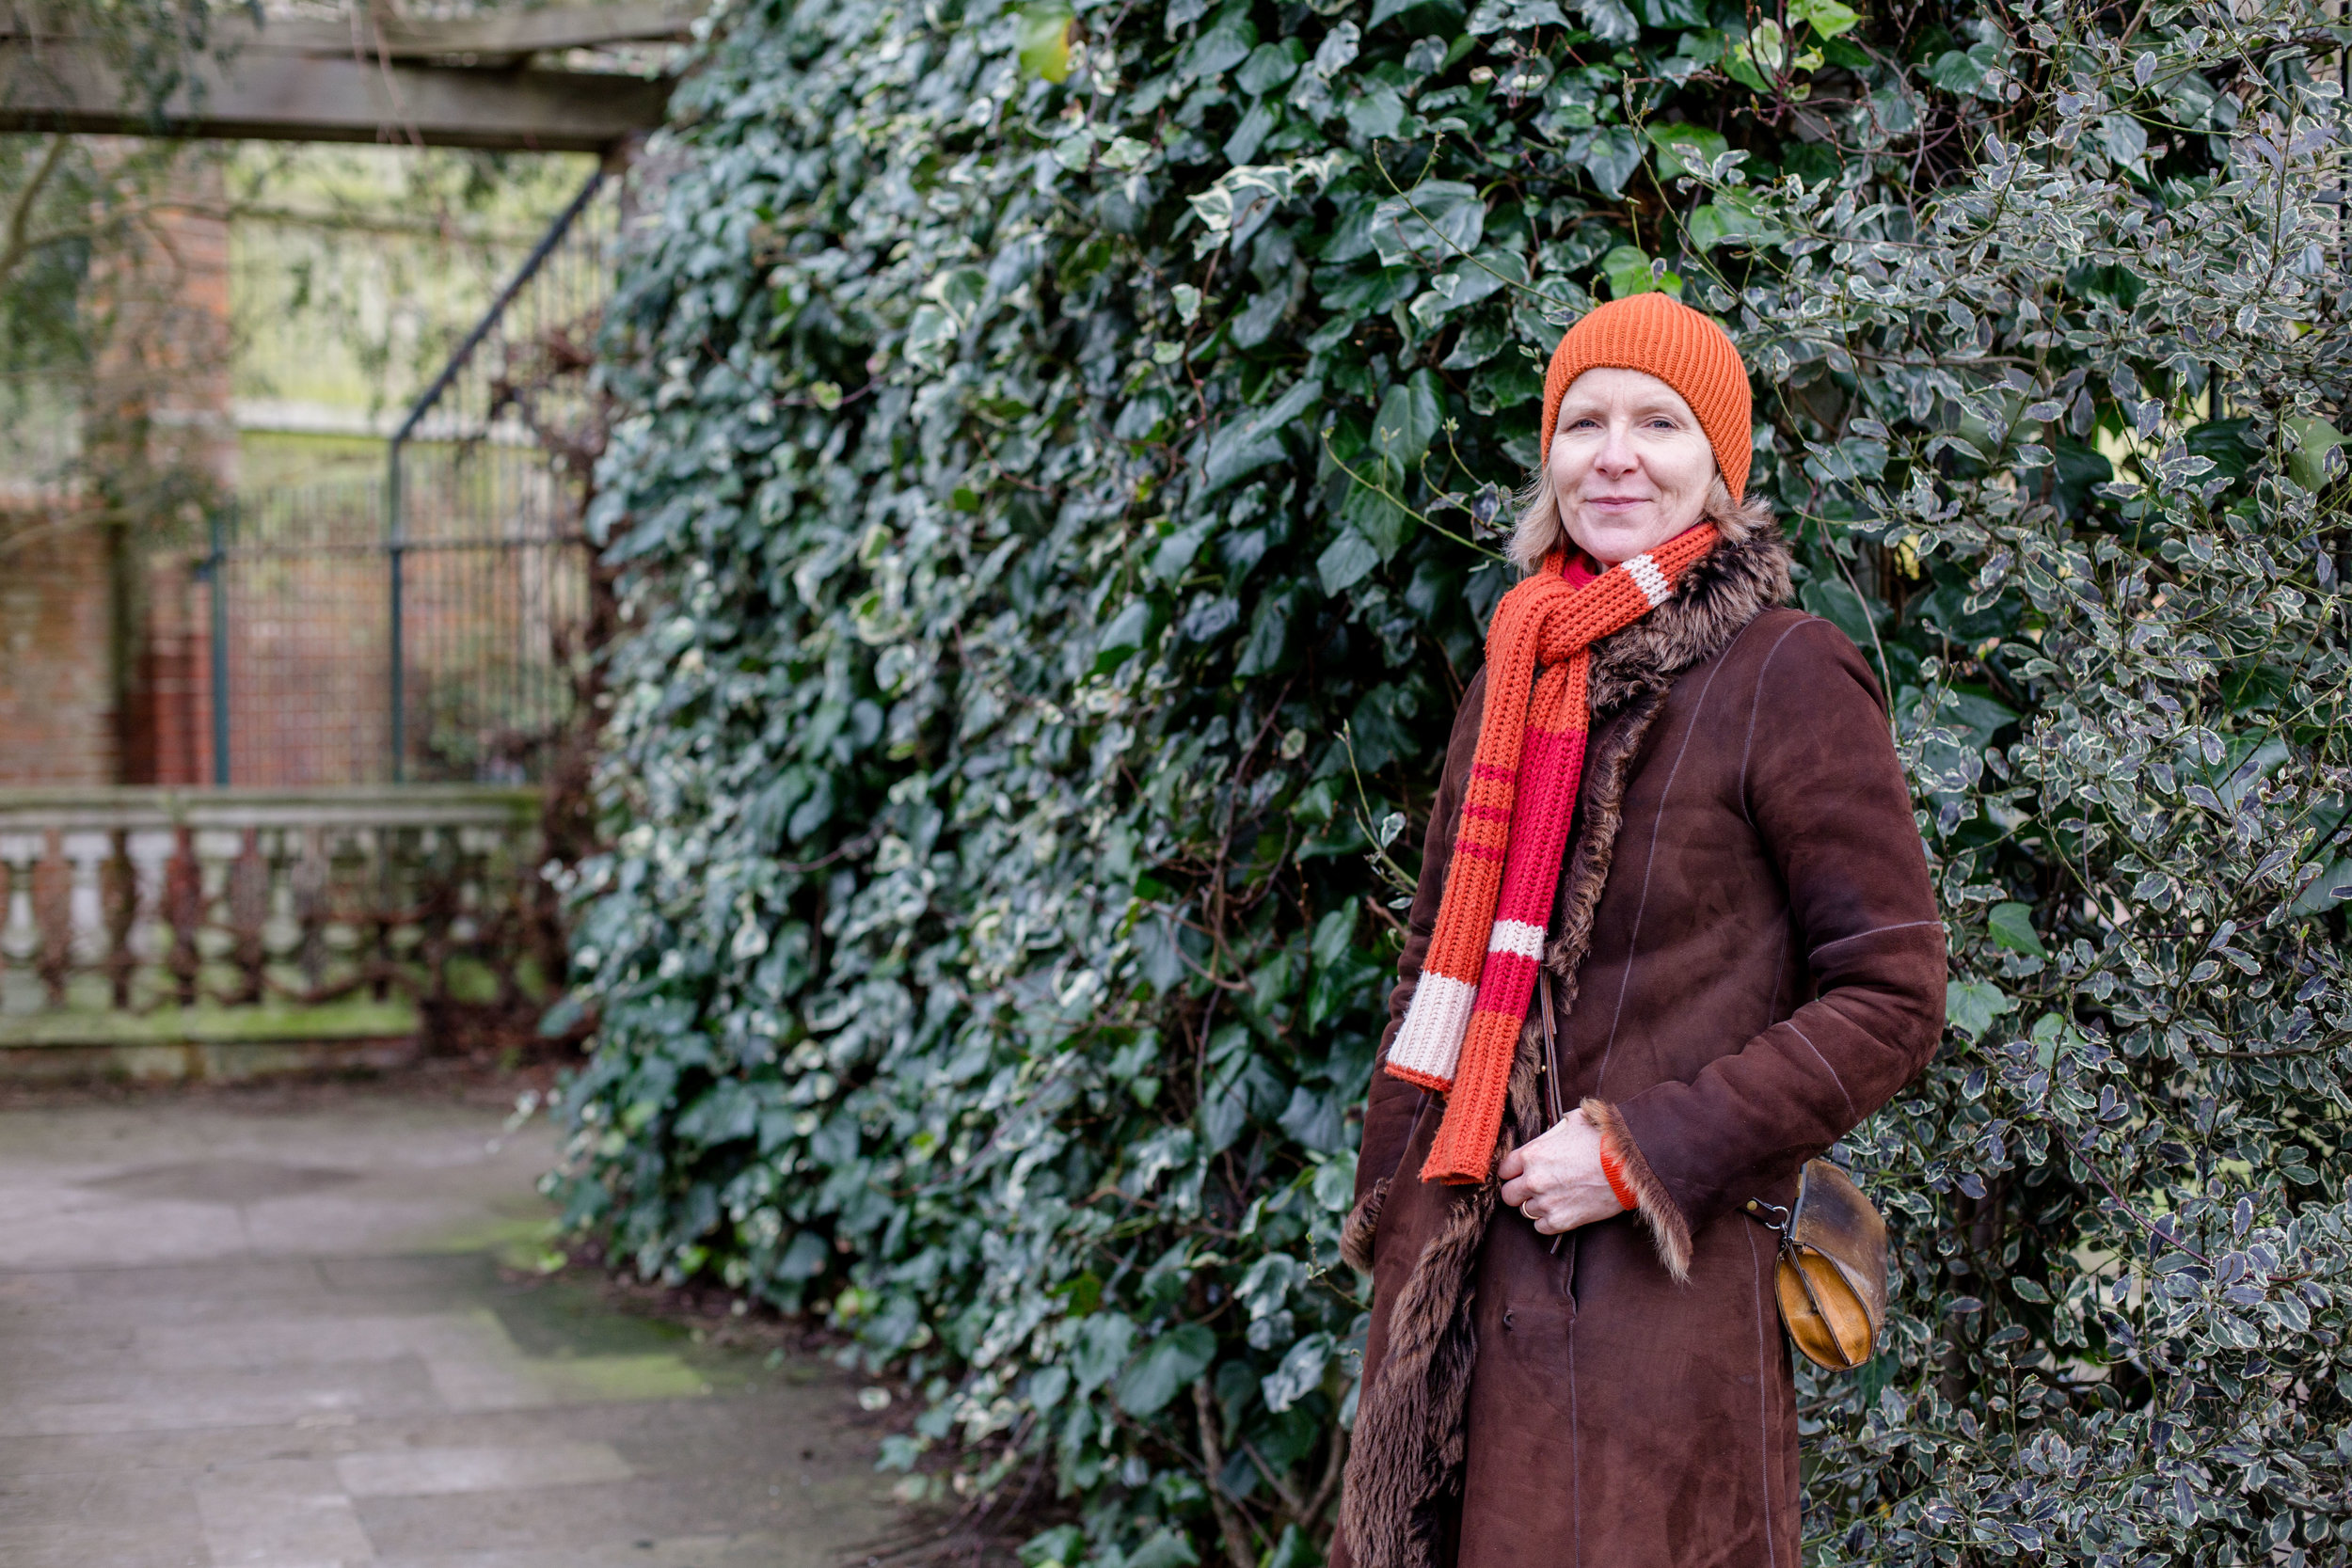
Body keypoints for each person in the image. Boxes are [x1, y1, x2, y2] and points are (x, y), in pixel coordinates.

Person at [1332, 293, 1947, 1568]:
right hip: (1454, 1299)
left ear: (1722, 466)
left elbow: (1892, 995)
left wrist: (1639, 1152)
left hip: (1651, 1322)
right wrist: (1392, 1207)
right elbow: (1429, 973)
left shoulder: (1787, 672)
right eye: (1583, 421)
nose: (1615, 455)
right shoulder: (1518, 670)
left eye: (1659, 423)